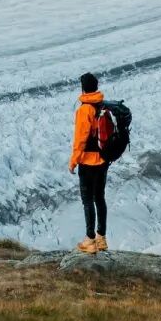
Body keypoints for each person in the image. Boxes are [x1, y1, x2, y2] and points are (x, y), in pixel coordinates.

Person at [69, 72, 108, 253]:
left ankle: (90, 240)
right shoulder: (102, 105)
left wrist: (73, 161)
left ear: (83, 88)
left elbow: (81, 139)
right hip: (102, 161)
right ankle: (101, 238)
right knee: (100, 198)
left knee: (87, 200)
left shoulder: (85, 109)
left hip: (88, 162)